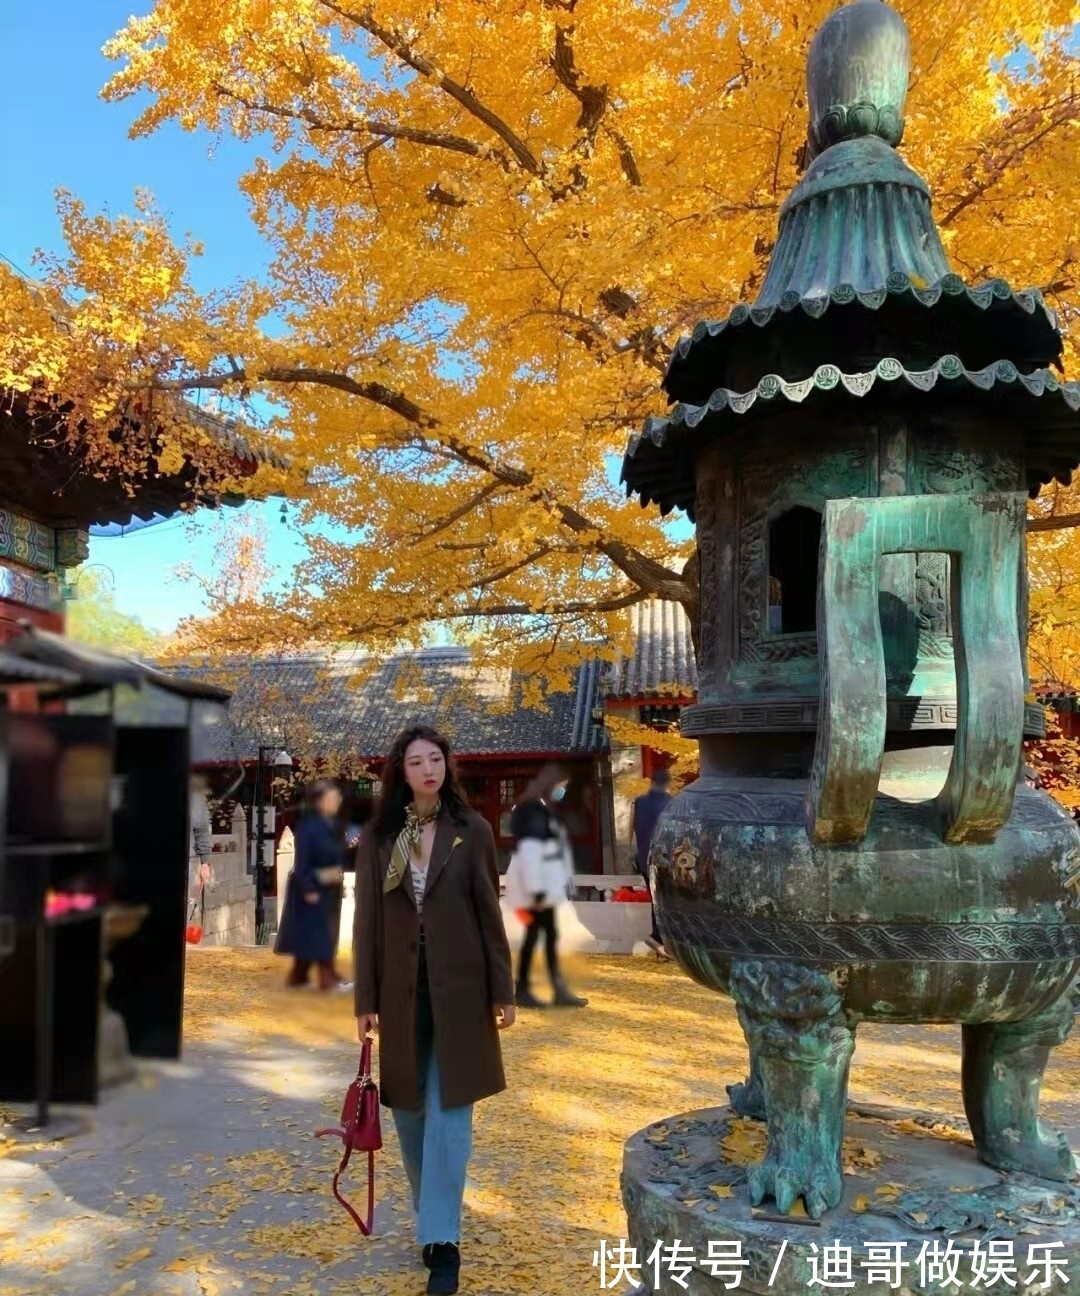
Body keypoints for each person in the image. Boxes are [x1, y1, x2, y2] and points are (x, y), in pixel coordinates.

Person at [354, 725, 515, 1296]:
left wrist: (503, 989)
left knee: (452, 1114)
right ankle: (434, 1217)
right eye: (417, 761)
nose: (428, 769)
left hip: (462, 989)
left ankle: (443, 1241)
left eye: (436, 759)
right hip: (400, 991)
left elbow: (487, 913)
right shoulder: (380, 838)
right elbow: (368, 921)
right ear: (401, 771)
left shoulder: (470, 831)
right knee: (411, 1113)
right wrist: (365, 1000)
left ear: (447, 766)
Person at [505, 764, 588, 1009]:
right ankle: (536, 989)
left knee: (543, 936)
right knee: (543, 936)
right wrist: (537, 890)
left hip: (541, 885)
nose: (562, 791)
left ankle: (534, 988)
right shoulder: (534, 811)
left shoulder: (539, 809)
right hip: (536, 888)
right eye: (561, 786)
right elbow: (531, 851)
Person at [275, 779, 351, 992]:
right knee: (318, 935)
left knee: (317, 935)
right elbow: (302, 862)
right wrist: (308, 888)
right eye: (331, 798)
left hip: (329, 886)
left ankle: (299, 976)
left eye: (337, 798)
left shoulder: (333, 826)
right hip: (310, 888)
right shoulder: (308, 827)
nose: (336, 802)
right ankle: (327, 976)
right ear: (319, 802)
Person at [631, 768, 673, 960]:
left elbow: (630, 830)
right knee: (665, 901)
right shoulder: (670, 804)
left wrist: (633, 855)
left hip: (643, 858)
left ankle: (660, 944)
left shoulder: (639, 802)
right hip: (664, 860)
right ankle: (657, 940)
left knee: (656, 899)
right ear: (668, 783)